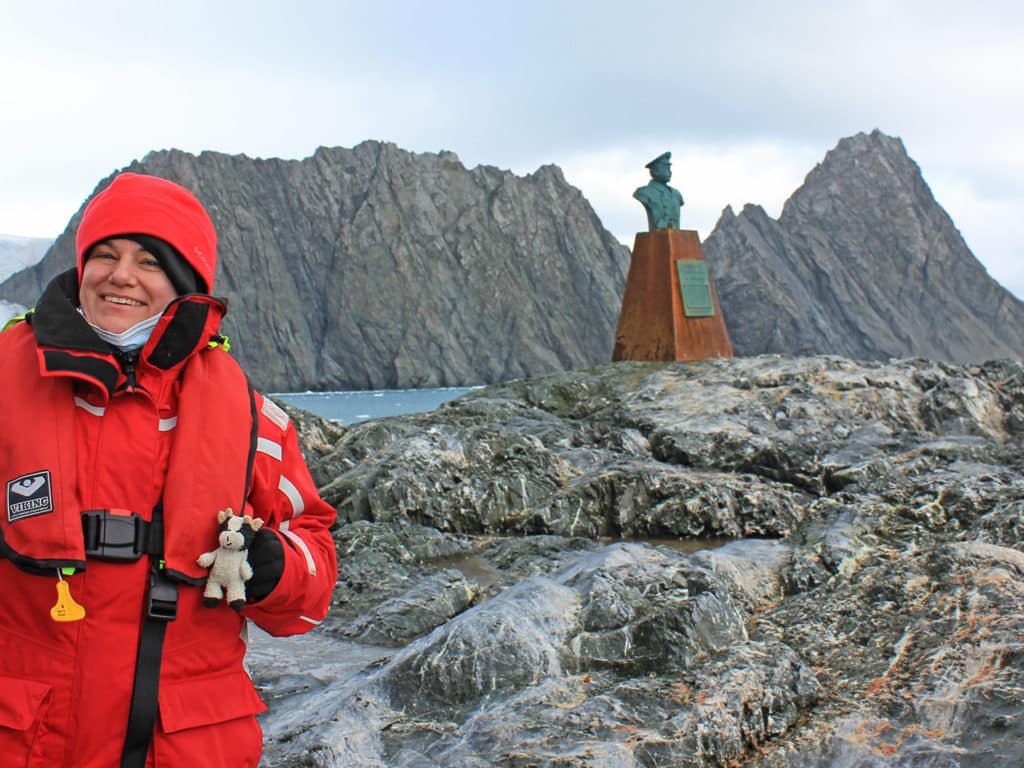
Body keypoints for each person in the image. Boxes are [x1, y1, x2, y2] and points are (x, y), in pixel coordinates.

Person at [0, 172, 338, 767]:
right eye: (104, 255)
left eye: (148, 261)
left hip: (183, 746)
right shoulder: (5, 383)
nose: (120, 274)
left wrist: (275, 565)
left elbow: (313, 581)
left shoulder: (256, 421)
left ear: (184, 283)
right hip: (25, 736)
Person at [633, 151, 685, 230]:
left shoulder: (676, 194)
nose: (670, 172)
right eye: (666, 168)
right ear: (655, 171)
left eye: (669, 168)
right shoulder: (644, 192)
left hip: (676, 237)